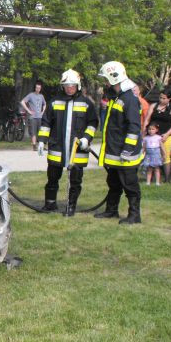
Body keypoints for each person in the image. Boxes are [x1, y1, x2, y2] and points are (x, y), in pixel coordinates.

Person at [37, 69, 98, 216]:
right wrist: (41, 141)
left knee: (75, 180)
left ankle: (71, 207)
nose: (69, 88)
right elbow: (46, 123)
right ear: (62, 86)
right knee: (52, 177)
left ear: (77, 85)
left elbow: (92, 124)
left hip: (78, 149)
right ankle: (50, 204)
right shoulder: (54, 102)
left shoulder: (86, 103)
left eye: (72, 85)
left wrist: (86, 138)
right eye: (66, 85)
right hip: (57, 147)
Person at [94, 61, 143, 224]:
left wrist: (128, 149)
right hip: (115, 151)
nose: (105, 83)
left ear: (114, 79)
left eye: (106, 80)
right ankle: (111, 210)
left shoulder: (129, 99)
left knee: (130, 185)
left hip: (125, 154)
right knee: (114, 183)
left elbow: (134, 127)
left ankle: (134, 215)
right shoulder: (118, 98)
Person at [143, 90, 171, 183]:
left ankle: (167, 179)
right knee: (150, 155)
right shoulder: (153, 106)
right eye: (160, 97)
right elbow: (147, 119)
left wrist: (166, 134)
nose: (161, 100)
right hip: (152, 135)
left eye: (164, 98)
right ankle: (150, 178)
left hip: (166, 136)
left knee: (165, 156)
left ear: (169, 99)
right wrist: (144, 131)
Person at [21, 80, 46, 151]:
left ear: (40, 89)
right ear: (35, 88)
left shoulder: (41, 96)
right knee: (33, 132)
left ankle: (41, 145)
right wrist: (28, 111)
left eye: (39, 88)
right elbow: (22, 102)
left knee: (41, 132)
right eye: (37, 88)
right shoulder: (31, 95)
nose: (38, 89)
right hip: (32, 117)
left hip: (39, 117)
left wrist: (42, 112)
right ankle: (34, 146)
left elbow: (45, 104)